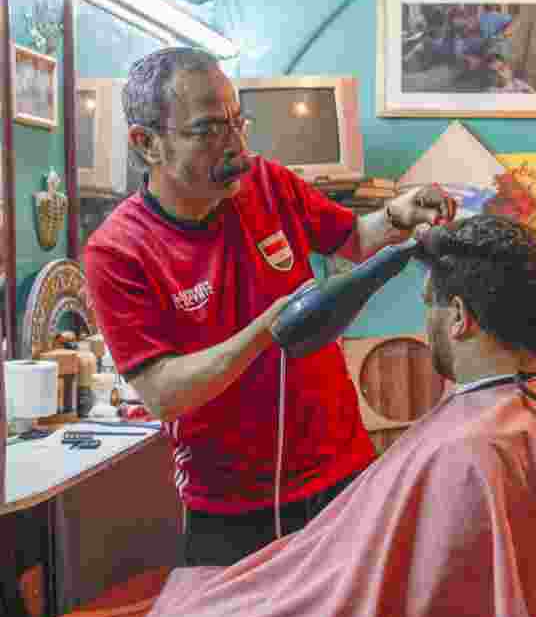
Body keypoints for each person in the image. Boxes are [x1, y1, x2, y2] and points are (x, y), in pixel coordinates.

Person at [75, 214, 536, 617]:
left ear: (457, 318)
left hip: (313, 609)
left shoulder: (473, 452)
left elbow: (415, 615)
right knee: (224, 597)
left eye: (426, 301)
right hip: (306, 575)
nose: (425, 323)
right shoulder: (535, 410)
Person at [82, 47, 457, 567]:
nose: (236, 146)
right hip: (230, 507)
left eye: (238, 122)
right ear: (147, 143)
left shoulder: (266, 182)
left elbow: (352, 238)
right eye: (210, 130)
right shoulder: (118, 251)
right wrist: (266, 331)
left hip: (341, 468)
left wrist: (395, 214)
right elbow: (164, 393)